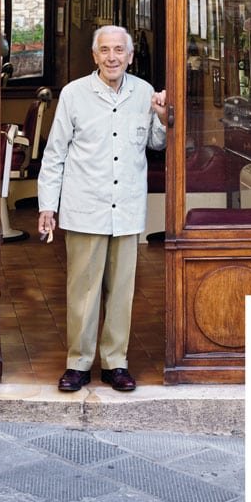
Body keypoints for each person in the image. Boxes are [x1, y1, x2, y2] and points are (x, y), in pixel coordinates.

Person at [37, 25, 168, 393]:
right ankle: (78, 364)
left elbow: (156, 144)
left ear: (130, 56)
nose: (112, 57)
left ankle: (115, 363)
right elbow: (55, 153)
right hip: (85, 206)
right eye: (105, 50)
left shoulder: (144, 92)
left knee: (122, 291)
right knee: (83, 291)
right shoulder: (74, 94)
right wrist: (48, 206)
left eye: (119, 50)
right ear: (94, 56)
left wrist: (161, 116)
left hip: (125, 207)